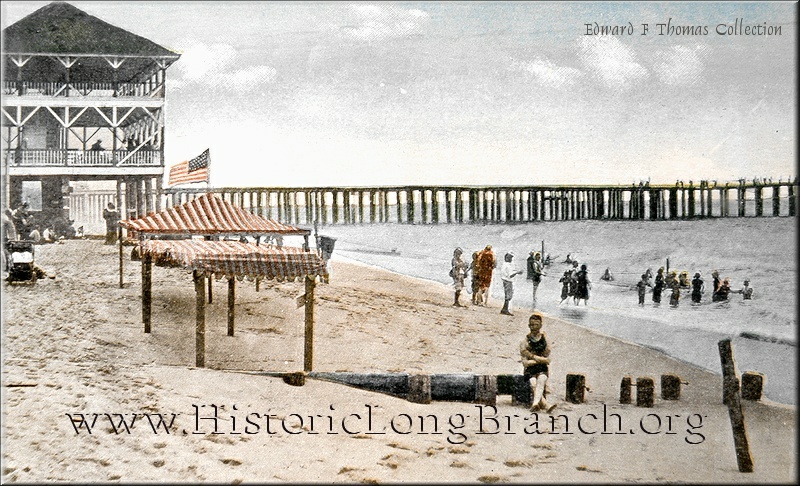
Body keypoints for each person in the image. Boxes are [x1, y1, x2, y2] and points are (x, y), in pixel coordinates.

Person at [520, 312, 556, 413]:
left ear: (540, 325)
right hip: (530, 369)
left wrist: (533, 358)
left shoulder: (545, 339)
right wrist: (539, 359)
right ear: (528, 325)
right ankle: (545, 405)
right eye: (532, 325)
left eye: (536, 325)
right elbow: (525, 363)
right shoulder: (525, 341)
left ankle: (535, 404)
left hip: (542, 369)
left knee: (541, 380)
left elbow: (548, 357)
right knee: (533, 383)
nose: (534, 327)